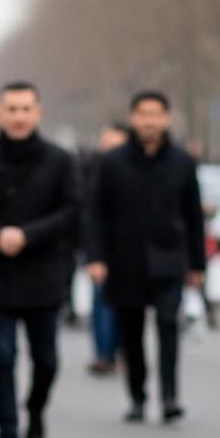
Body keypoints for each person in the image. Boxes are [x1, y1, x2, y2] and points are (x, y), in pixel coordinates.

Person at [0, 81, 79, 438]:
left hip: (44, 275)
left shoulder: (60, 161)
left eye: (25, 109)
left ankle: (34, 409)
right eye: (11, 109)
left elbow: (71, 213)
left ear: (38, 113)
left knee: (46, 360)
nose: (18, 116)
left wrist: (28, 235)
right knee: (4, 358)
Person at [86, 91, 205, 423]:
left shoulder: (182, 161)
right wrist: (96, 257)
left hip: (170, 258)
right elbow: (95, 213)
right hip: (125, 260)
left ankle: (169, 397)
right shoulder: (111, 162)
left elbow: (193, 215)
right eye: (143, 114)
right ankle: (137, 397)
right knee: (131, 333)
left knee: (169, 327)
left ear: (166, 118)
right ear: (132, 117)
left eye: (156, 114)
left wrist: (197, 264)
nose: (150, 121)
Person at [83, 123, 127, 375]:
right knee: (100, 301)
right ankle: (103, 354)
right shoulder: (91, 167)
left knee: (125, 305)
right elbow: (89, 214)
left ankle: (122, 351)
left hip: (127, 251)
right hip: (101, 249)